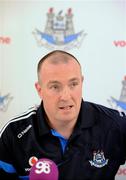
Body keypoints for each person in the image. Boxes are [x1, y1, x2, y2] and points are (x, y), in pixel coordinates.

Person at [0, 50, 126, 180]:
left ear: (81, 83)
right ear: (39, 90)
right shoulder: (13, 134)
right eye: (55, 87)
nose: (65, 96)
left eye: (73, 84)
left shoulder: (115, 125)